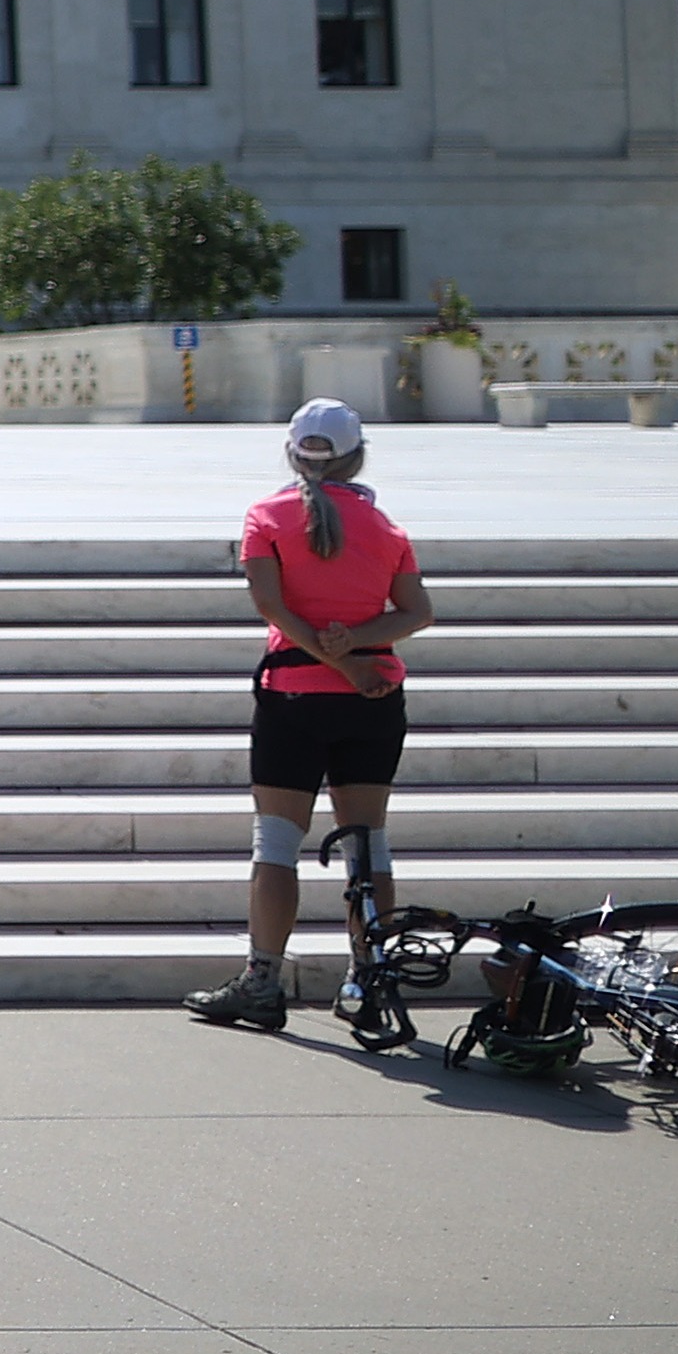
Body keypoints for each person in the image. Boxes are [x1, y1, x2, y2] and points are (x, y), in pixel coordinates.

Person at [188, 398, 434, 1031]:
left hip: (293, 696)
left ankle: (263, 982)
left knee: (277, 842)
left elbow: (269, 605)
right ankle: (366, 982)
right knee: (367, 844)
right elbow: (416, 613)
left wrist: (334, 658)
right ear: (357, 457)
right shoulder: (388, 530)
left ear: (293, 452)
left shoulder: (266, 516)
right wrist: (354, 650)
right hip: (375, 697)